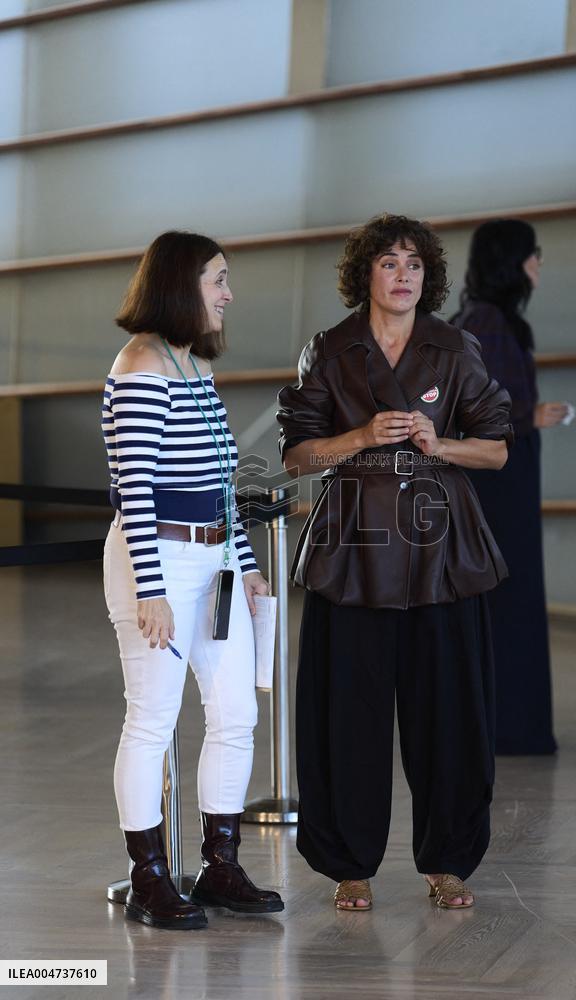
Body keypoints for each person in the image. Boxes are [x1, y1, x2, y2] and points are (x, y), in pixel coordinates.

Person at [277, 213, 513, 911]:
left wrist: (441, 446)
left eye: (414, 264)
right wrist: (357, 436)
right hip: (354, 550)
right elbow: (296, 456)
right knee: (347, 714)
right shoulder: (330, 349)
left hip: (444, 553)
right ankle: (350, 864)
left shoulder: (455, 346)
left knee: (450, 713)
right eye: (389, 263)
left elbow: (496, 447)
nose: (403, 275)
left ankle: (448, 862)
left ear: (427, 276)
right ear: (365, 275)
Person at [102, 230, 284, 929]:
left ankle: (220, 866)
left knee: (235, 713)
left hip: (211, 562)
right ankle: (148, 878)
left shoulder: (192, 367)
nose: (228, 293)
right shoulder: (142, 364)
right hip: (160, 561)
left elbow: (221, 483)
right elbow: (137, 489)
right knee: (151, 720)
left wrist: (246, 566)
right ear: (182, 285)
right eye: (218, 279)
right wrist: (150, 587)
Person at [451, 219, 568, 755]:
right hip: (498, 485)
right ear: (511, 261)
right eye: (531, 254)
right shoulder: (490, 323)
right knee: (507, 597)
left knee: (506, 597)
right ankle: (508, 727)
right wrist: (529, 414)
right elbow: (481, 411)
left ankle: (506, 724)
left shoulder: (489, 320)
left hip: (502, 482)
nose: (538, 263)